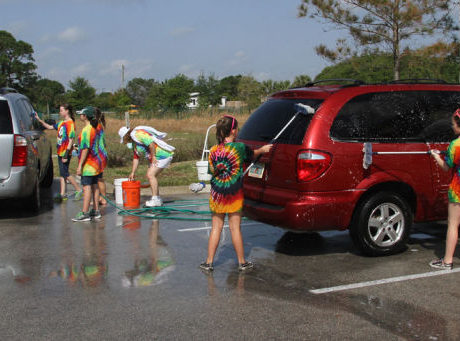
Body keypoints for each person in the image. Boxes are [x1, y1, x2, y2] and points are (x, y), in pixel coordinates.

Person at [200, 115, 272, 272]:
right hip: (234, 195)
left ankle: (209, 262)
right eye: (237, 128)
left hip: (217, 194)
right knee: (235, 228)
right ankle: (242, 262)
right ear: (233, 131)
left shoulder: (212, 151)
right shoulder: (239, 148)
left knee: (216, 228)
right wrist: (264, 149)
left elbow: (211, 171)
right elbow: (252, 155)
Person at [429, 108, 460, 270]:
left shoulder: (455, 145)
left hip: (458, 190)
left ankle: (447, 261)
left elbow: (447, 167)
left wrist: (435, 156)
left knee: (453, 224)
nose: (452, 127)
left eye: (453, 124)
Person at [35, 104, 82, 201]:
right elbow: (49, 127)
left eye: (61, 110)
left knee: (65, 173)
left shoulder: (70, 123)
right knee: (62, 174)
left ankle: (78, 189)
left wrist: (66, 153)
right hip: (60, 151)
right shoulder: (61, 123)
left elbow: (71, 139)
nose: (60, 112)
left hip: (66, 152)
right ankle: (62, 193)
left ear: (67, 111)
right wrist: (40, 120)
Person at [118, 125, 175, 207]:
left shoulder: (137, 134)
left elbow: (151, 144)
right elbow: (136, 158)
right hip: (156, 157)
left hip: (162, 155)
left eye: (124, 139)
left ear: (126, 136)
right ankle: (157, 199)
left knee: (151, 175)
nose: (125, 141)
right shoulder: (134, 143)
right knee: (150, 175)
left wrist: (153, 156)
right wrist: (133, 172)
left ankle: (155, 199)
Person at [72, 107, 103, 222]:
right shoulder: (93, 129)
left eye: (81, 114)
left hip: (88, 165)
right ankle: (95, 211)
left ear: (85, 116)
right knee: (95, 186)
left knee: (86, 187)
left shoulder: (86, 130)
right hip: (95, 163)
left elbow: (85, 149)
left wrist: (80, 165)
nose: (80, 116)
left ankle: (84, 213)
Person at [95, 108, 108, 206]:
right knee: (98, 178)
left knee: (99, 178)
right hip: (100, 154)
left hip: (99, 155)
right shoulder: (99, 126)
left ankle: (103, 198)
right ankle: (100, 197)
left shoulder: (97, 127)